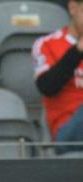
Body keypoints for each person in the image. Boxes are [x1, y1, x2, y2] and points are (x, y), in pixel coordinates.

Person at [33, 0, 83, 155]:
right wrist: (78, 50)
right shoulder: (48, 44)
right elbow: (47, 87)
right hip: (68, 133)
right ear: (73, 8)